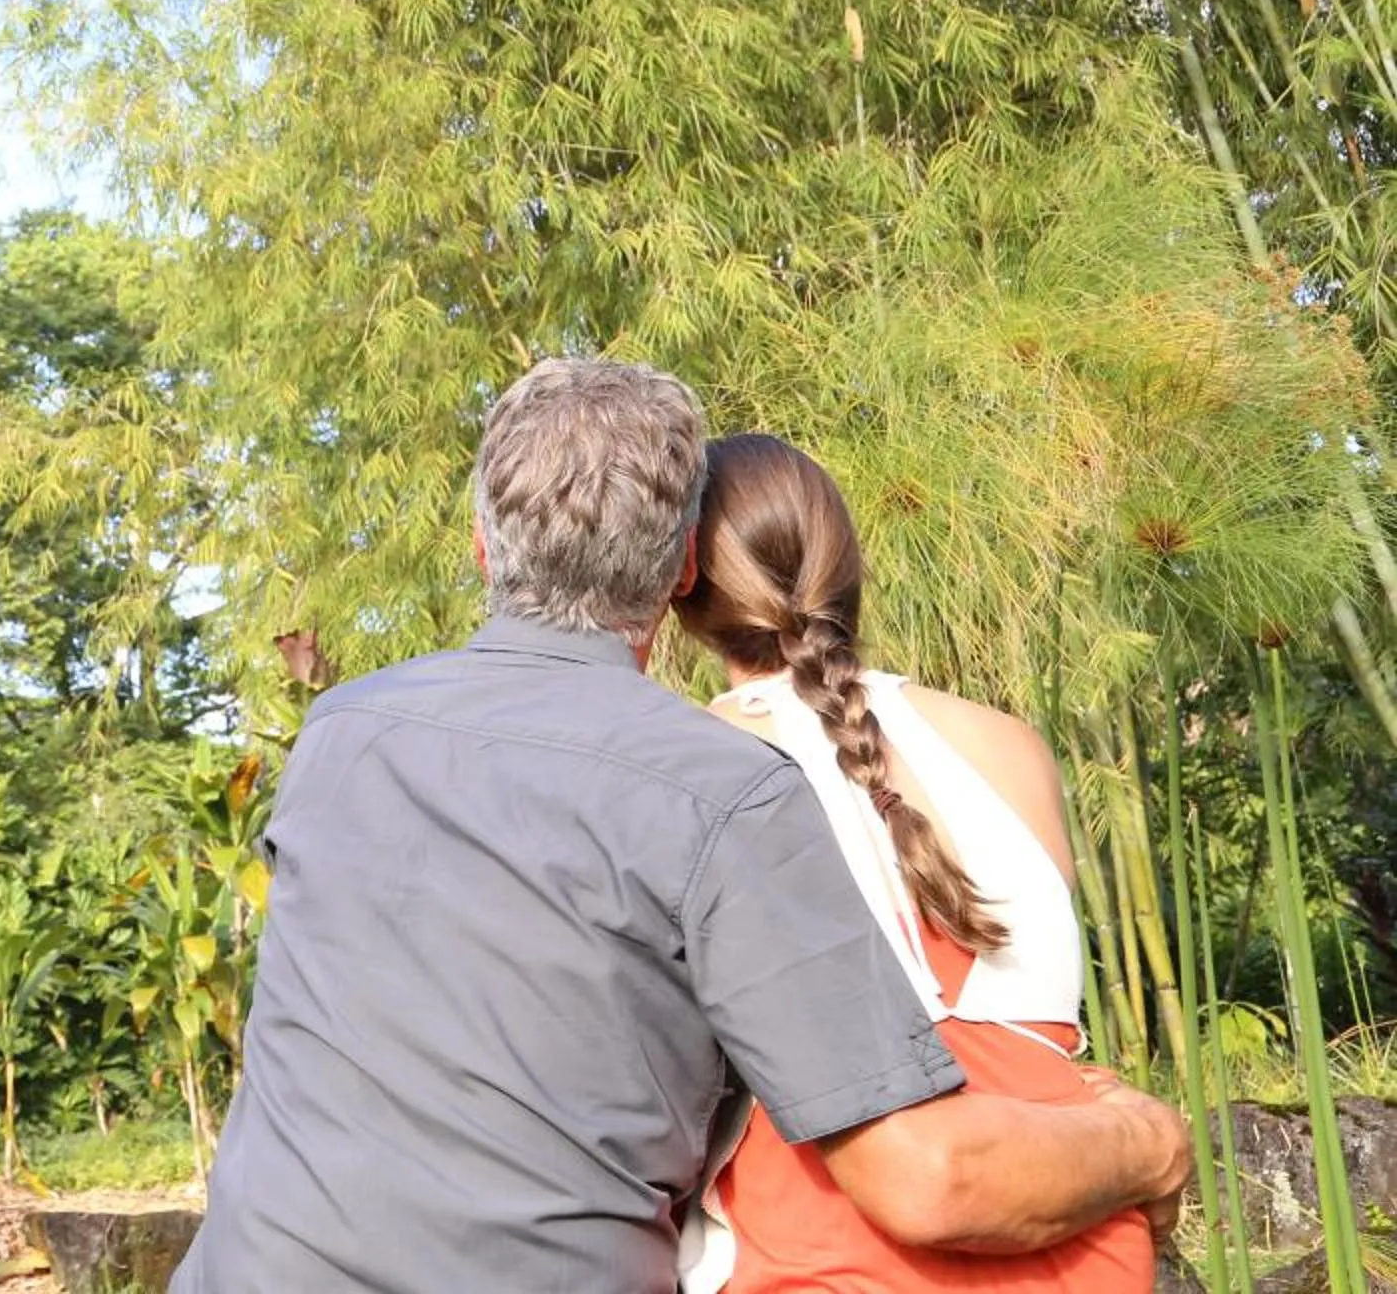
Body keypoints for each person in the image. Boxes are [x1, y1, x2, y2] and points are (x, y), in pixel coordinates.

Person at [171, 358, 1187, 1293]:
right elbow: (925, 1178)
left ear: (483, 544)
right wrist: (1147, 1141)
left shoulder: (339, 731)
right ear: (680, 572)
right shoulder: (727, 791)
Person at [671, 433, 1157, 1292]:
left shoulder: (690, 767)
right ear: (849, 569)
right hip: (1083, 1244)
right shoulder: (1011, 746)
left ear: (683, 587)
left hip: (836, 1251)